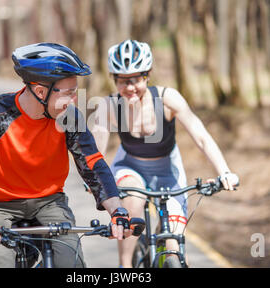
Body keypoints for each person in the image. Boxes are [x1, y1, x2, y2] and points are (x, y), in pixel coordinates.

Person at [0, 42, 132, 268]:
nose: (75, 100)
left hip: (49, 202)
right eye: (69, 93)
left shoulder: (69, 118)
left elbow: (92, 163)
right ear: (41, 91)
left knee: (71, 265)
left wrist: (118, 211)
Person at [90, 39, 239, 268]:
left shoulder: (168, 99)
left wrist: (224, 172)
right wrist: (94, 180)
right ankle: (125, 266)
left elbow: (201, 137)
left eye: (136, 79)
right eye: (122, 80)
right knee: (133, 206)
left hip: (168, 171)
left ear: (147, 76)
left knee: (174, 245)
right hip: (130, 167)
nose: (129, 87)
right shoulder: (109, 105)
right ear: (114, 79)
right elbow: (96, 152)